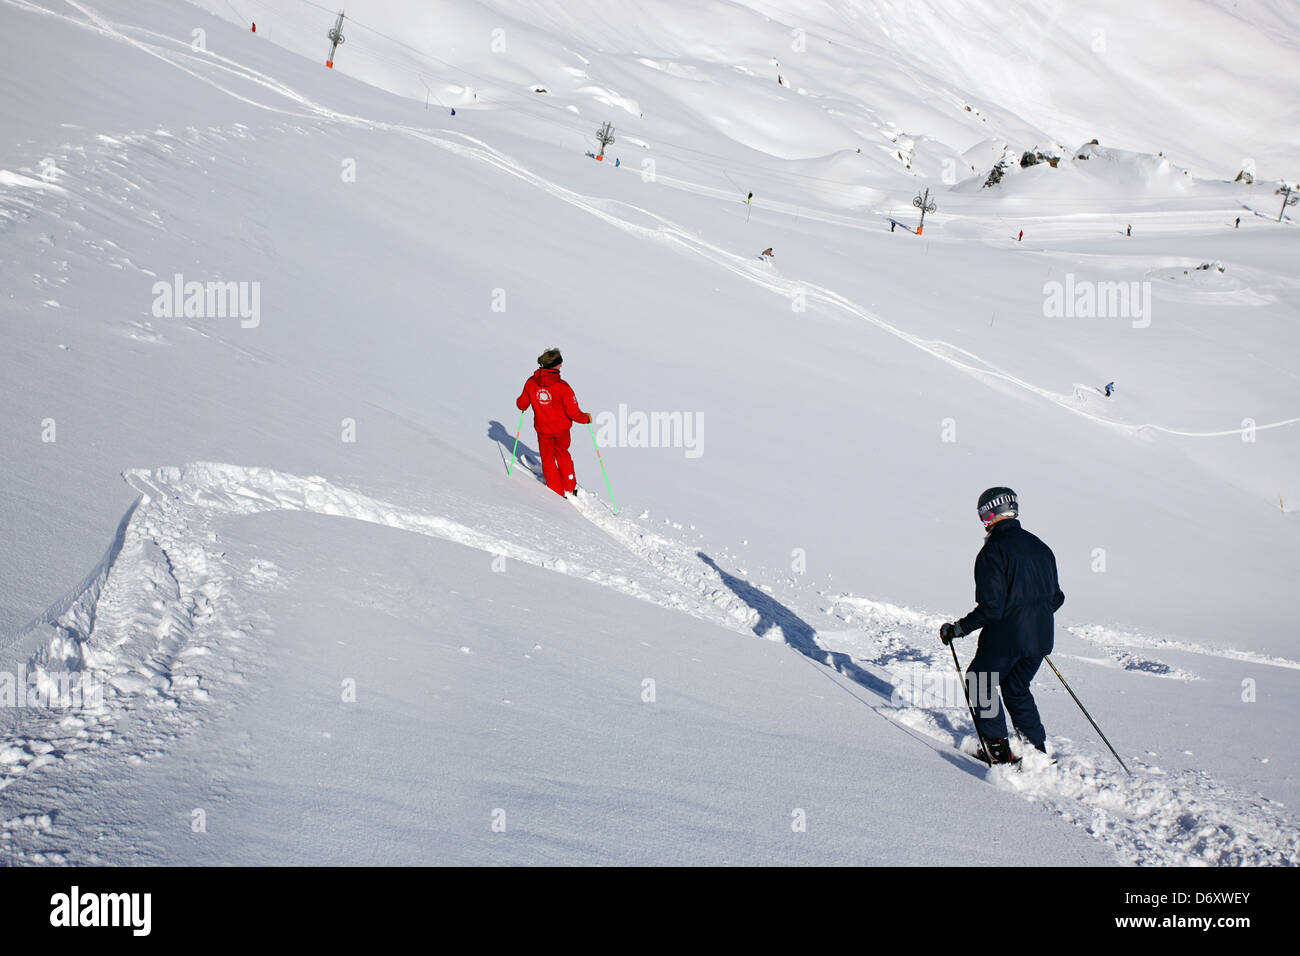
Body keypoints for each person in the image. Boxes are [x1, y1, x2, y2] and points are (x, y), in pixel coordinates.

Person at [940, 487, 1065, 765]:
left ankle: (996, 751)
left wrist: (958, 629)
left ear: (988, 514)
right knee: (1016, 688)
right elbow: (1056, 597)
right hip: (1041, 638)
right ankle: (1036, 750)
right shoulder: (1041, 547)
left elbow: (992, 608)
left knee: (979, 681)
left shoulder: (993, 550)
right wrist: (1034, 619)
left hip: (1006, 637)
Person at [515, 348, 592, 498]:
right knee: (562, 454)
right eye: (560, 362)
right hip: (562, 430)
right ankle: (570, 486)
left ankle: (556, 491)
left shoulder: (531, 382)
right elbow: (573, 413)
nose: (562, 365)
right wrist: (586, 418)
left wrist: (523, 403)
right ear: (556, 365)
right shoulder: (563, 387)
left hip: (543, 429)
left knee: (548, 459)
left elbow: (522, 404)